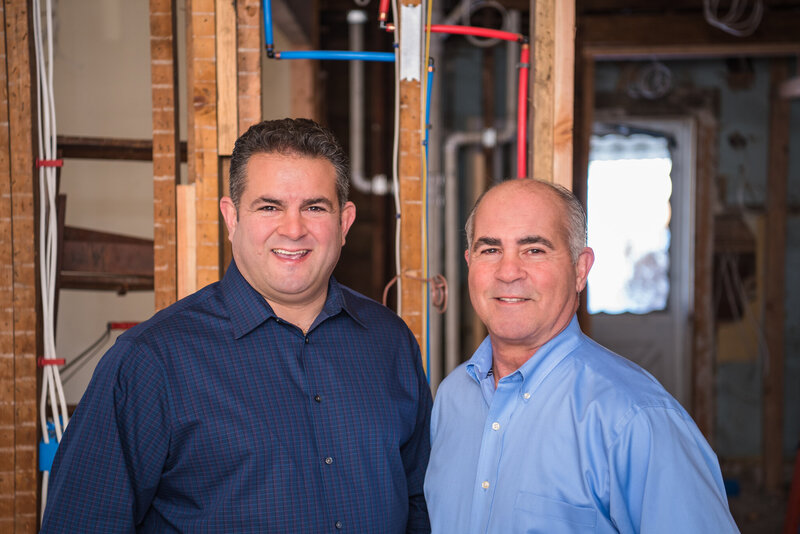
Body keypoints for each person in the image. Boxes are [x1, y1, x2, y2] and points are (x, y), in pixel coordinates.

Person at [42, 118, 433, 533]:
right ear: (231, 217)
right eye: (269, 207)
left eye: (314, 207)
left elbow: (419, 505)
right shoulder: (151, 363)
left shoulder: (390, 343)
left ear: (345, 222)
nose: (294, 229)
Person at [424, 178, 739, 533]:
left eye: (534, 250)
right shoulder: (452, 399)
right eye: (490, 250)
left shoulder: (635, 419)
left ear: (580, 269)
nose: (508, 272)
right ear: (470, 263)